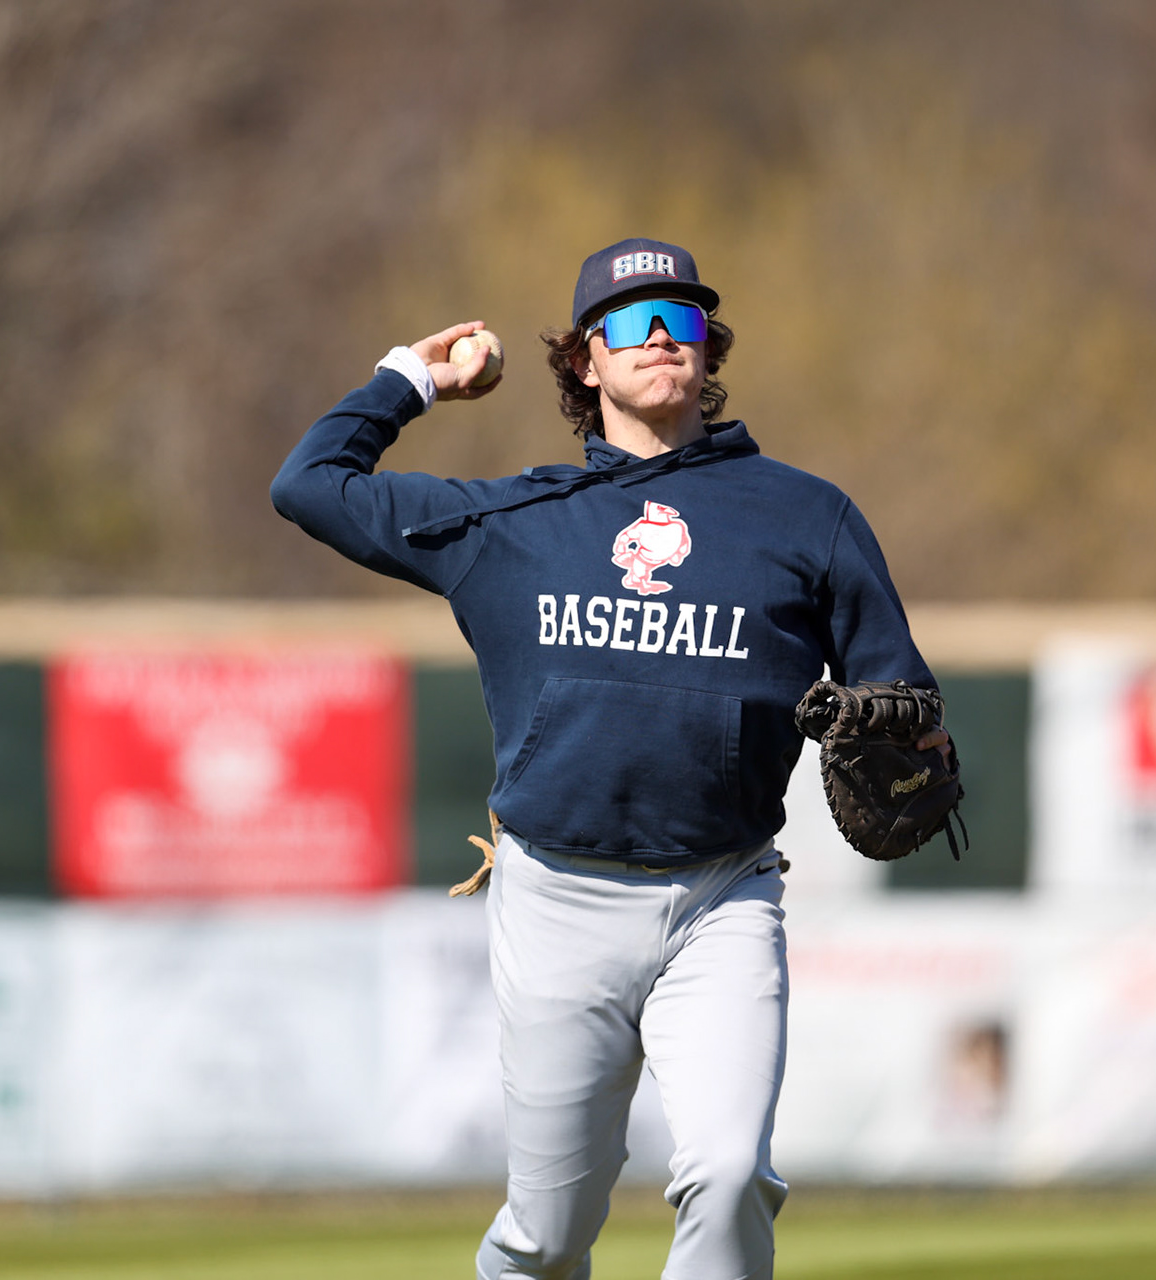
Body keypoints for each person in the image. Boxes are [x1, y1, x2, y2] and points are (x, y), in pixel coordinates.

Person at [272, 237, 949, 1279]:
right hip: (556, 903)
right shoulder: (512, 519)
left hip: (722, 896)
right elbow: (310, 483)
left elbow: (904, 702)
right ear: (584, 362)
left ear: (709, 348)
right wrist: (410, 379)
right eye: (629, 324)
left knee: (730, 1176)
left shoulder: (807, 517)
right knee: (547, 1236)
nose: (659, 340)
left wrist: (912, 739)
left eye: (681, 321)